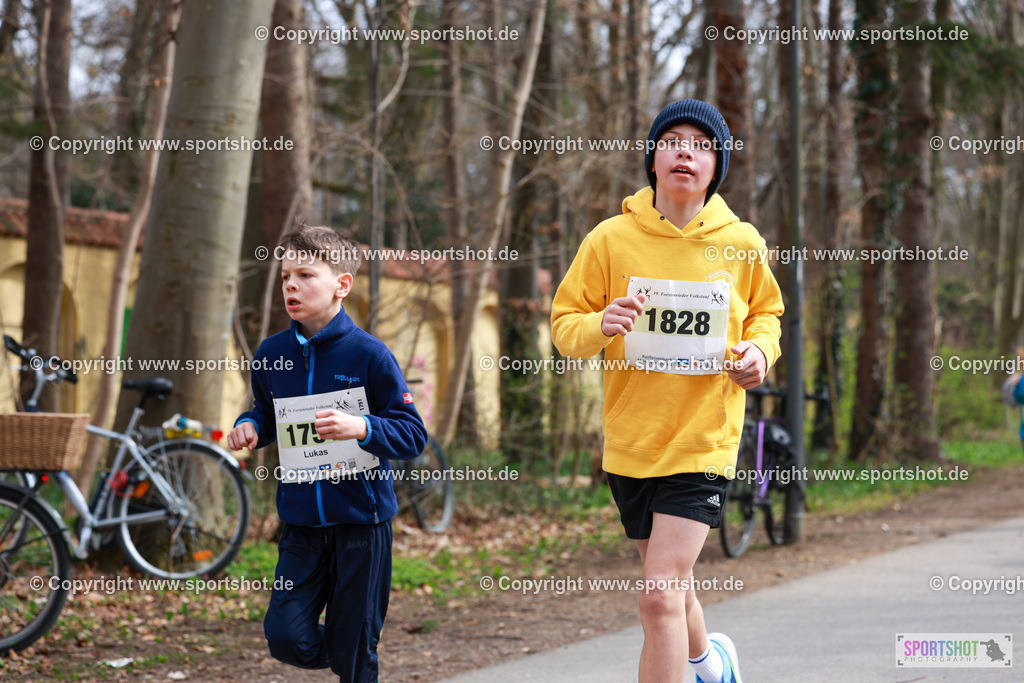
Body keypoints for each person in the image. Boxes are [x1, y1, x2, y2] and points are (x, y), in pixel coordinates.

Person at [551, 99, 784, 683]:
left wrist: (758, 353)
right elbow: (564, 328)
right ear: (652, 159)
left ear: (715, 168)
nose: (686, 150)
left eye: (702, 145)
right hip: (632, 442)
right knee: (672, 589)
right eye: (672, 140)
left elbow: (767, 315)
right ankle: (711, 664)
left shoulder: (741, 242)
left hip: (704, 440)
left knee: (658, 596)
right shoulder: (610, 240)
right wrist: (600, 322)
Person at [227, 225, 427, 682]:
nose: (291, 286)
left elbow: (413, 435)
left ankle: (353, 653)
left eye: (305, 275)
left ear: (342, 284)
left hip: (361, 524)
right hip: (300, 526)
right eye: (285, 277)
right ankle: (347, 649)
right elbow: (265, 412)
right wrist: (249, 427)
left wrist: (362, 427)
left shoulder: (370, 356)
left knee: (355, 657)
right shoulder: (271, 354)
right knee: (285, 635)